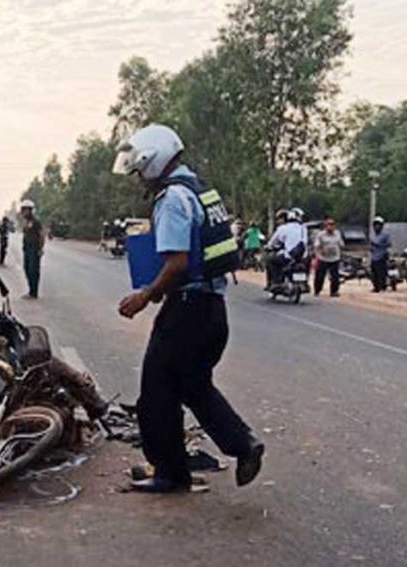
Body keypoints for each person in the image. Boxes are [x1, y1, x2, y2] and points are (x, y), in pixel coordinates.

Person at [112, 123, 263, 493]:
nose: (140, 179)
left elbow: (177, 264)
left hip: (187, 311)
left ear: (153, 160)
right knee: (193, 385)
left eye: (140, 171)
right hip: (212, 308)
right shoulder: (199, 190)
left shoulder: (172, 199)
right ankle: (244, 445)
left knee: (156, 393)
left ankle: (169, 473)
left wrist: (144, 296)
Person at [265, 210, 307, 289]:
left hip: (289, 256)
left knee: (270, 260)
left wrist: (268, 246)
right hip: (303, 257)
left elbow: (273, 242)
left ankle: (276, 282)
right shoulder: (303, 228)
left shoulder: (282, 228)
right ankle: (305, 283)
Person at [313, 217, 344, 297]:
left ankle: (334, 291)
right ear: (325, 226)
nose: (330, 226)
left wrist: (341, 254)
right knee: (320, 276)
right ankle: (317, 290)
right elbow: (316, 246)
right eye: (329, 224)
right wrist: (317, 254)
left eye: (332, 224)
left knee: (335, 277)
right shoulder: (320, 235)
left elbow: (341, 244)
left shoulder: (337, 234)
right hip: (323, 258)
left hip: (334, 258)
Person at [20, 200, 45, 299]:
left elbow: (42, 235)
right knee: (26, 268)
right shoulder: (26, 223)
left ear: (30, 210)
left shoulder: (36, 222)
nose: (23, 212)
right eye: (23, 210)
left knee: (33, 270)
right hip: (27, 248)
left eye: (25, 210)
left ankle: (34, 292)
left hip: (34, 249)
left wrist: (40, 248)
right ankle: (30, 290)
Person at [369, 216, 392, 293]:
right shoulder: (373, 235)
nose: (377, 226)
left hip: (382, 256)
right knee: (373, 272)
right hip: (374, 256)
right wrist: (371, 248)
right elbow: (371, 245)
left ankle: (382, 286)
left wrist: (379, 245)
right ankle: (376, 287)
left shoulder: (385, 235)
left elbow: (389, 244)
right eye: (375, 225)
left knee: (381, 273)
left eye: (378, 225)